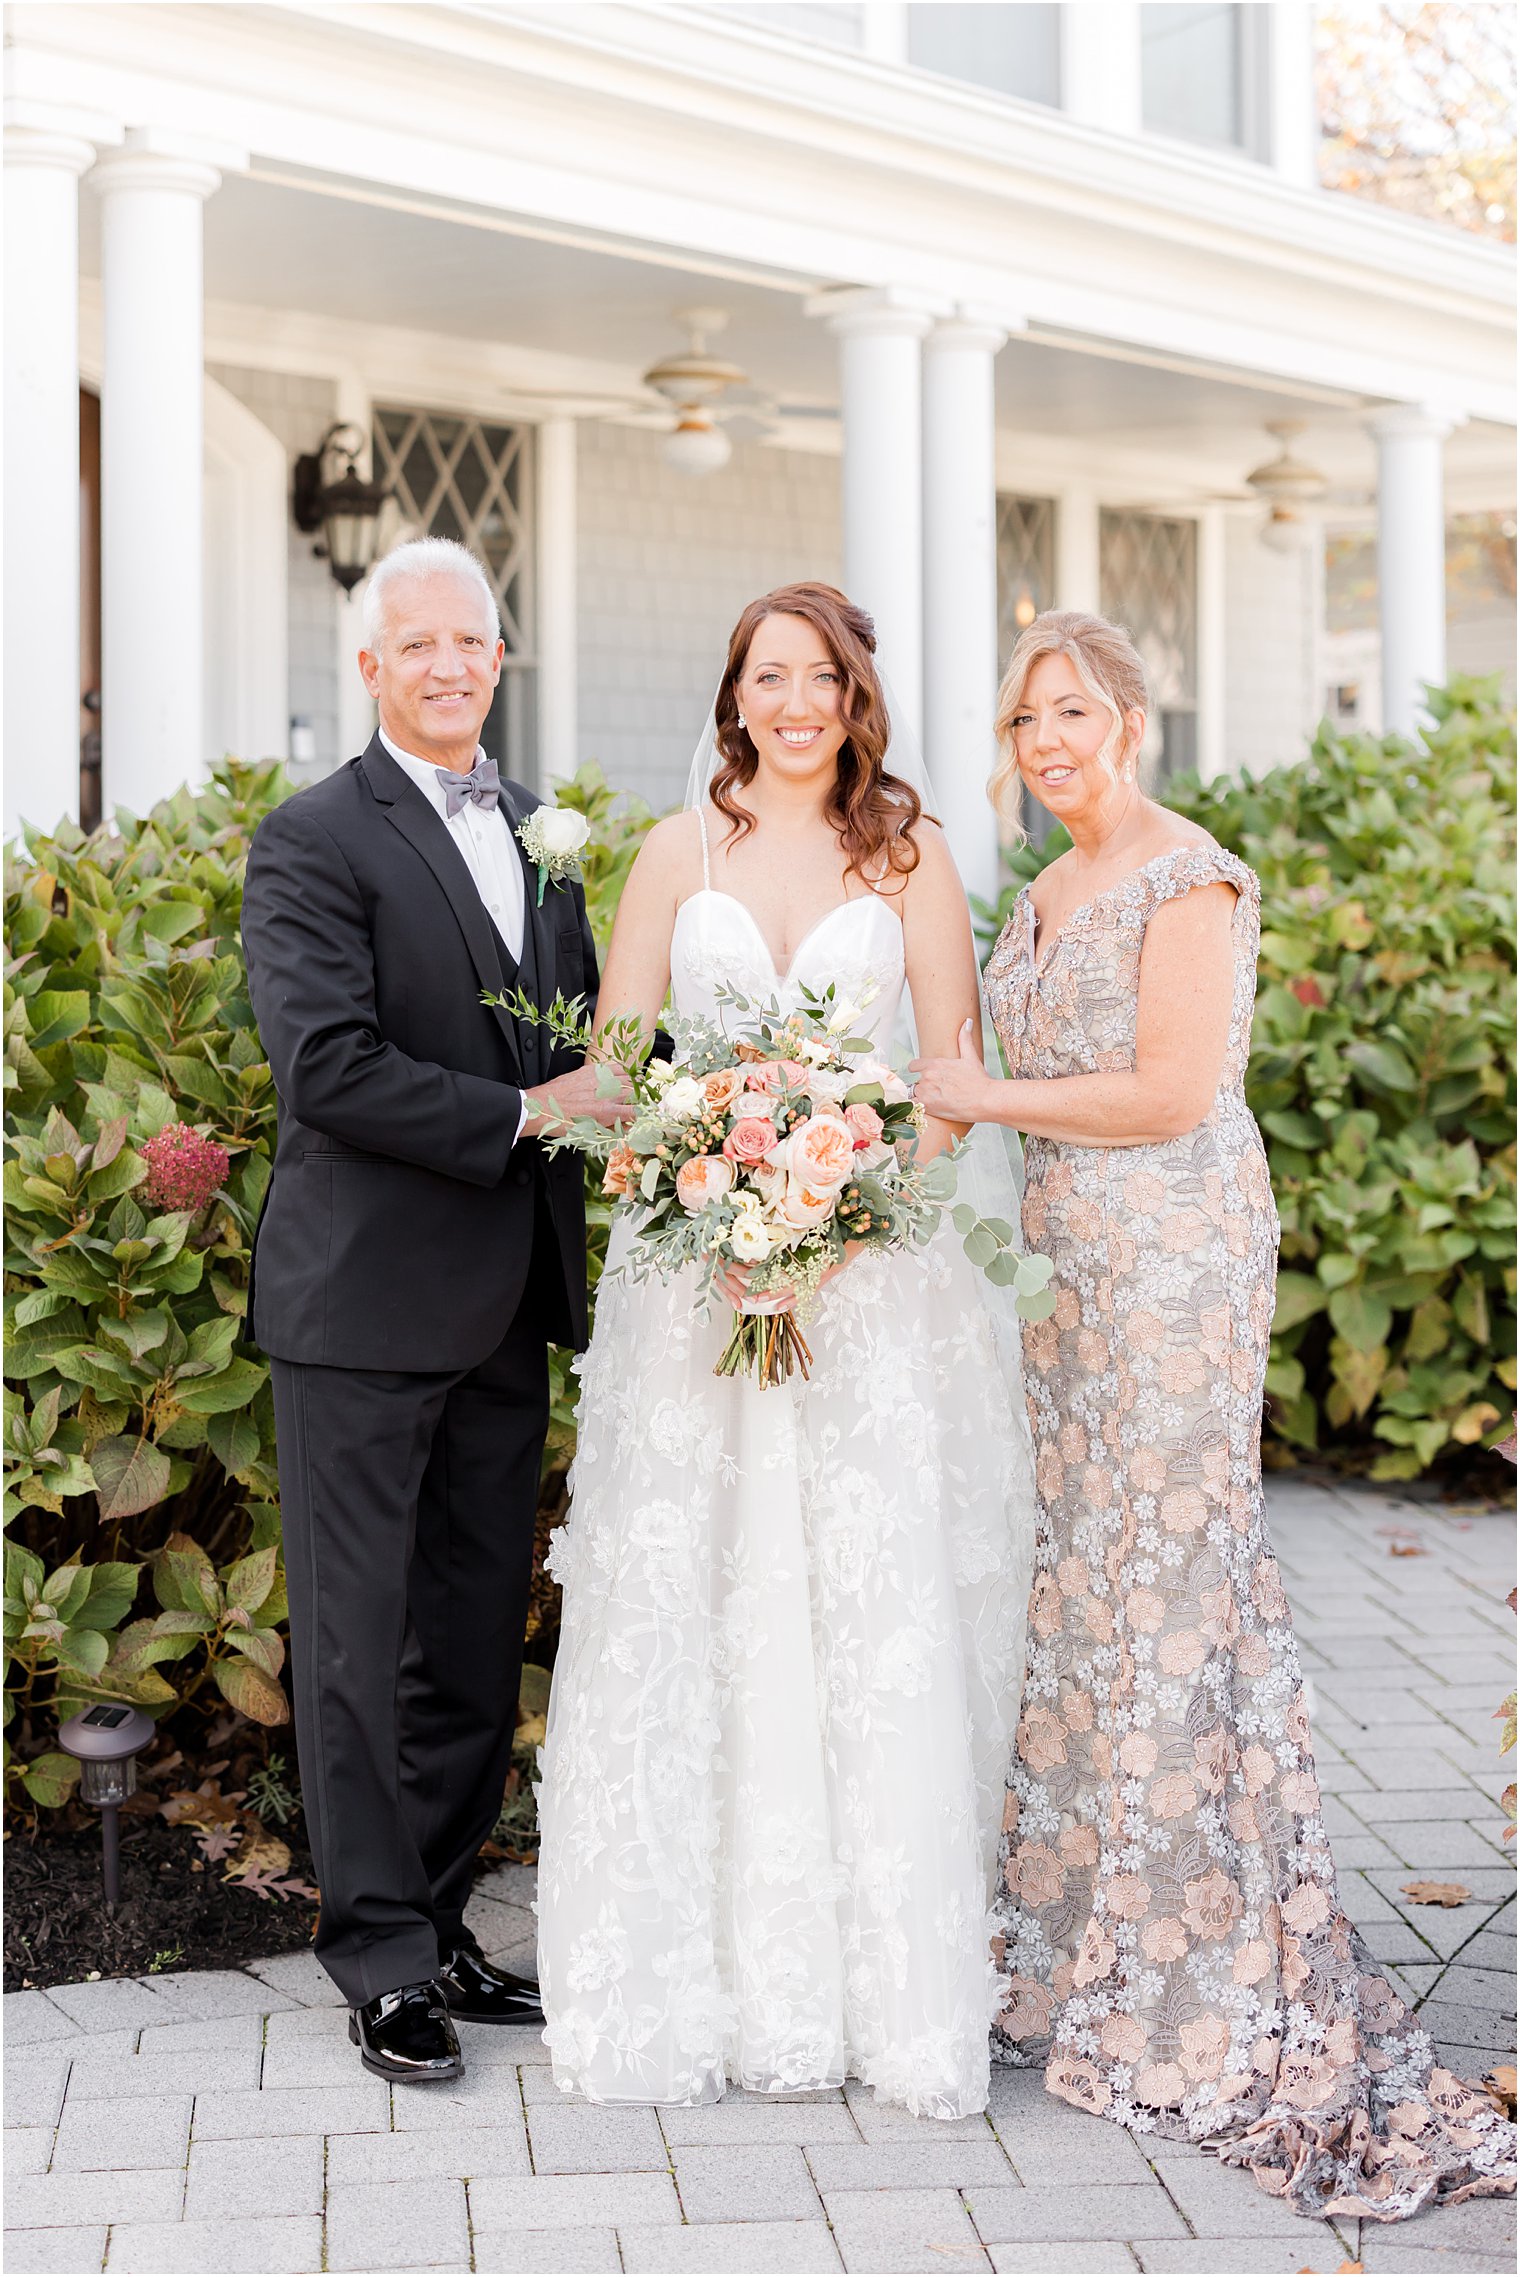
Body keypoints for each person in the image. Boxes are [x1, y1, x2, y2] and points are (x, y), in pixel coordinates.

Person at [910, 609, 1515, 2214]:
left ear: (1130, 714)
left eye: (1071, 711)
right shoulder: (1040, 888)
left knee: (1174, 1595)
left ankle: (1199, 1982)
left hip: (1172, 1270)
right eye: (1023, 717)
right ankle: (1084, 1951)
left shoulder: (1195, 875)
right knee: (1087, 1596)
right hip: (1059, 1289)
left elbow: (1172, 1092)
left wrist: (981, 1097)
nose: (1044, 742)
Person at [535, 582, 1037, 2120]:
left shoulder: (912, 850)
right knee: (700, 1604)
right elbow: (623, 1059)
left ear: (854, 691)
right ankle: (691, 1976)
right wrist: (682, 1165)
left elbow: (948, 1069)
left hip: (870, 1286)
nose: (798, 700)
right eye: (771, 675)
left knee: (852, 1604)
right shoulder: (676, 850)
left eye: (823, 675)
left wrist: (844, 1199)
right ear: (734, 693)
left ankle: (881, 1991)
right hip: (698, 1292)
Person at [242, 537, 623, 2086]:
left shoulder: (546, 830)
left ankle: (449, 1914)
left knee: (471, 1632)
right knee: (355, 1640)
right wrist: (533, 1114)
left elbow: (591, 1024)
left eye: (474, 642)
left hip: (506, 1303)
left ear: (497, 657)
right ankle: (380, 1951)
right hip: (362, 1304)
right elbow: (324, 1065)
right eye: (422, 646)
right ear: (373, 668)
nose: (453, 666)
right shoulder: (313, 837)